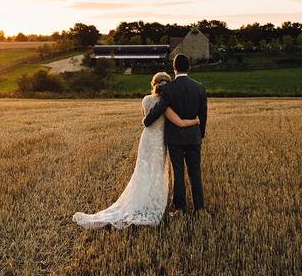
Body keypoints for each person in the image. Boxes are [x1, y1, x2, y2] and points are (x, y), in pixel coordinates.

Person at [72, 71, 199, 228]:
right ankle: (152, 204)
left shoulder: (145, 100)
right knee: (156, 173)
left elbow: (144, 119)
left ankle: (139, 201)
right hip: (158, 142)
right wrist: (195, 120)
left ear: (154, 84)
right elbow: (178, 122)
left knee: (142, 173)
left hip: (146, 140)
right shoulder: (165, 104)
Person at [143, 53, 208, 212]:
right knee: (195, 174)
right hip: (193, 138)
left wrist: (147, 120)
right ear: (189, 67)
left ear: (174, 68)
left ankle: (180, 209)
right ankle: (199, 209)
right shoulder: (200, 87)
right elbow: (203, 114)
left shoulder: (168, 89)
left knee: (178, 173)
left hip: (175, 139)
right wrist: (200, 134)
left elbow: (159, 109)